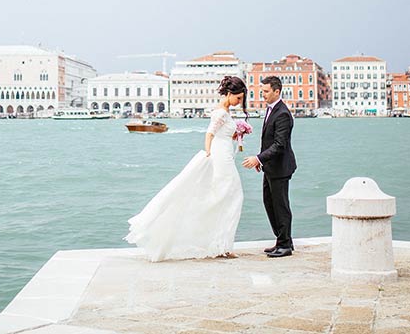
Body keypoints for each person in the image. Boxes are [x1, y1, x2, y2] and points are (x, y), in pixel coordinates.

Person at [125, 76, 248, 261]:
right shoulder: (221, 112)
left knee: (227, 196)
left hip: (225, 153)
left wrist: (236, 134)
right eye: (238, 98)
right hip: (220, 156)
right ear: (230, 94)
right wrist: (208, 154)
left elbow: (221, 135)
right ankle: (222, 245)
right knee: (232, 195)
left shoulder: (225, 111)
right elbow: (209, 134)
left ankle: (222, 244)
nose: (240, 102)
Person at [242, 75, 297, 258]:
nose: (262, 94)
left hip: (281, 168)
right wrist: (262, 161)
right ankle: (282, 240)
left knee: (280, 206)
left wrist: (258, 158)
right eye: (262, 91)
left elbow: (279, 145)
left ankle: (285, 245)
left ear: (277, 91)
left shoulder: (282, 113)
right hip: (271, 166)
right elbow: (268, 140)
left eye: (266, 91)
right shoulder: (272, 109)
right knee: (269, 203)